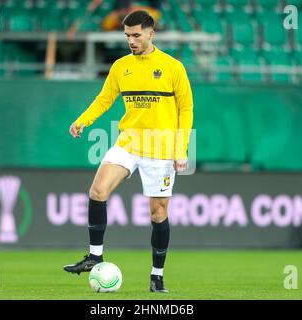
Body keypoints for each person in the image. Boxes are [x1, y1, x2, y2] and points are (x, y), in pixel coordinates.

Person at [63, 10, 193, 293]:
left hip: (161, 149)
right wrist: (83, 121)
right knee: (97, 192)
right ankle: (95, 256)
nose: (131, 41)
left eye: (136, 35)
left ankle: (157, 275)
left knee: (158, 215)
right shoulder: (121, 66)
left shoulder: (173, 67)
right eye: (127, 36)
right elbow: (104, 99)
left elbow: (186, 108)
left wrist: (181, 149)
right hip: (128, 142)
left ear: (150, 34)